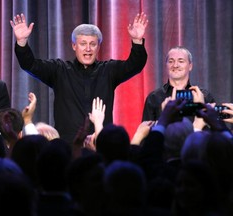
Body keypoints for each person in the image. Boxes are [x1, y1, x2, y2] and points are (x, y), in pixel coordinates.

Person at [10, 12, 148, 144]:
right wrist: (22, 42)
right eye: (83, 44)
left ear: (98, 47)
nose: (88, 49)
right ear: (74, 46)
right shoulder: (59, 70)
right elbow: (30, 64)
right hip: (67, 148)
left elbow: (134, 65)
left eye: (92, 44)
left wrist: (137, 41)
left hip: (99, 146)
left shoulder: (108, 70)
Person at [142, 46, 215, 121]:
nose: (175, 65)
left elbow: (215, 129)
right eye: (171, 61)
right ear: (166, 66)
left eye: (181, 61)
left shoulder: (204, 96)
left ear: (190, 66)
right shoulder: (154, 97)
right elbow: (146, 131)